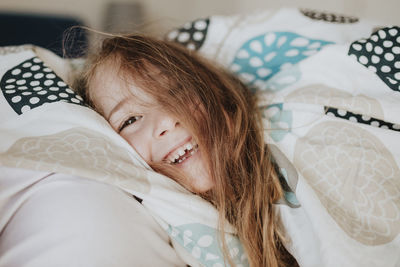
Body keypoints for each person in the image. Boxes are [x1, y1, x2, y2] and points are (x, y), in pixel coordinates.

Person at [75, 34, 298, 267]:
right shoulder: (148, 237)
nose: (165, 123)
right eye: (130, 120)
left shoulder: (289, 162)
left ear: (219, 95)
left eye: (174, 93)